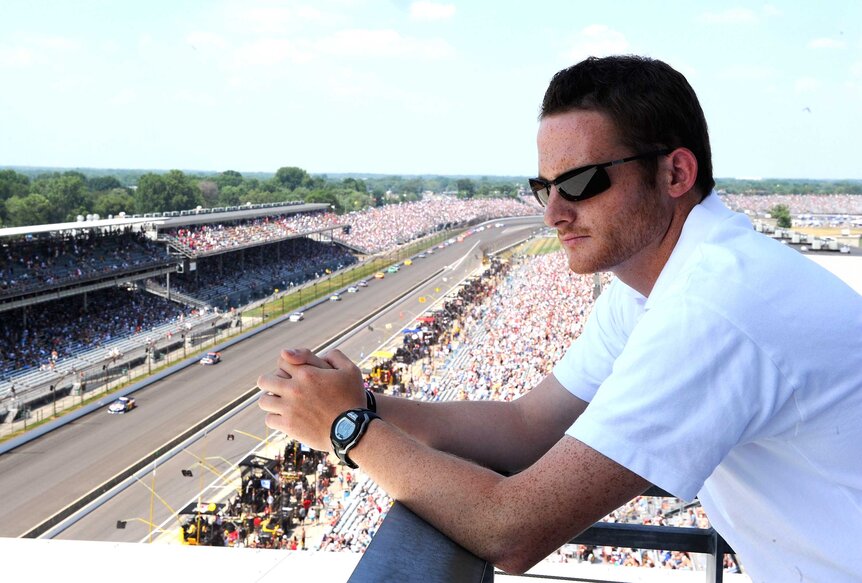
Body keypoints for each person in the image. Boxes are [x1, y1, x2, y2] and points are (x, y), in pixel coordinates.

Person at [258, 55, 862, 580]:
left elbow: (511, 531)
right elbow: (527, 425)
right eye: (544, 186)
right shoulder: (657, 282)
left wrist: (347, 430)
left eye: (581, 182)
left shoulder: (716, 306)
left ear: (675, 173)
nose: (554, 213)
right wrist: (362, 404)